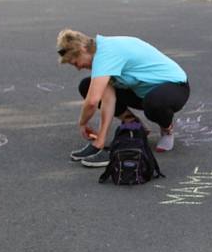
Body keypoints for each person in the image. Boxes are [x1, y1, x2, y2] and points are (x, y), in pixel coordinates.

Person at [56, 29, 190, 167]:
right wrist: (99, 142)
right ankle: (134, 126)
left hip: (175, 87)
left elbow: (92, 102)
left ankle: (167, 129)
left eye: (75, 62)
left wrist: (83, 123)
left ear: (83, 49)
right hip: (141, 93)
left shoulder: (106, 54)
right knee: (87, 85)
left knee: (154, 103)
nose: (78, 68)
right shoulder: (99, 54)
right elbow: (108, 100)